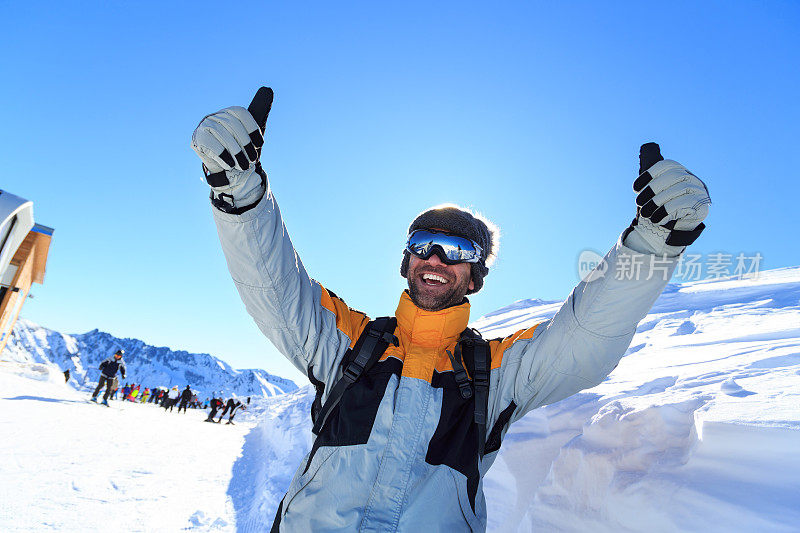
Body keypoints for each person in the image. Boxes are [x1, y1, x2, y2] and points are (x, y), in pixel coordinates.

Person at [191, 89, 711, 531]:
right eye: (424, 242)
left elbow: (587, 336)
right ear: (406, 259)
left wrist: (655, 243)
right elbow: (273, 285)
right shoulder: (350, 344)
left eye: (459, 251)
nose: (436, 258)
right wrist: (238, 191)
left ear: (475, 274)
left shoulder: (494, 373)